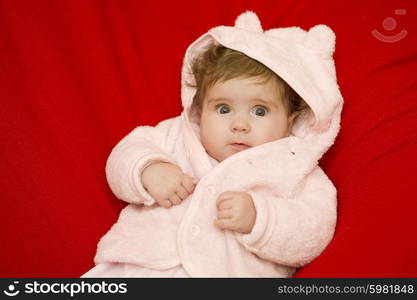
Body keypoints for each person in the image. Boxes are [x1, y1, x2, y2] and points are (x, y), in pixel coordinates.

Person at [82, 11, 343, 277]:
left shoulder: (296, 167)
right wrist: (149, 169)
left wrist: (260, 218)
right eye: (223, 109)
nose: (239, 124)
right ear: (200, 107)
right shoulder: (176, 135)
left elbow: (314, 229)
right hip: (136, 266)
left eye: (260, 111)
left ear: (291, 120)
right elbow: (124, 154)